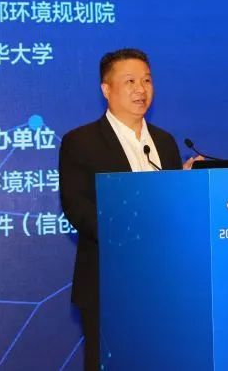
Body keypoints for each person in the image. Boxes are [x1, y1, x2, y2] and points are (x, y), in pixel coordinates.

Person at [59, 48, 200, 370]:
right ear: (106, 89)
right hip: (109, 283)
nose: (141, 89)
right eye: (130, 81)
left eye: (147, 80)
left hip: (165, 282)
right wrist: (132, 238)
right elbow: (77, 208)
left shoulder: (164, 142)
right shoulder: (81, 142)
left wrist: (187, 184)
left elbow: (169, 210)